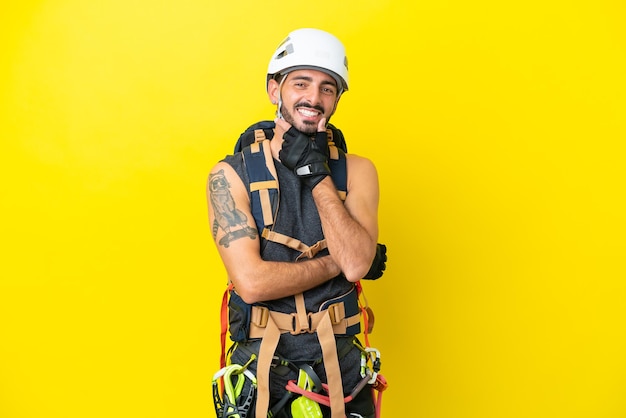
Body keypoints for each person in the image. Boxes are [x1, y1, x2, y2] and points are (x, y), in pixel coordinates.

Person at [207, 28, 386, 418]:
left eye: (327, 88)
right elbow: (252, 283)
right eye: (301, 83)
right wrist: (336, 262)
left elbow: (357, 263)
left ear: (337, 98)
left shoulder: (356, 171)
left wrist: (317, 173)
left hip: (341, 371)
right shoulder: (230, 175)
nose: (314, 98)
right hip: (260, 370)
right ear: (275, 90)